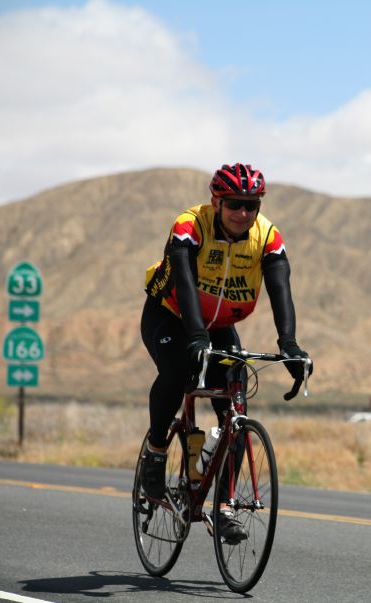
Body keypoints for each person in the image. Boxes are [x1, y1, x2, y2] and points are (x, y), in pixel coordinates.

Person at [140, 162, 312, 542]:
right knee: (177, 371)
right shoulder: (191, 225)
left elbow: (281, 289)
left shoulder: (267, 236)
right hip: (169, 315)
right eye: (235, 203)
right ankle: (155, 451)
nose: (244, 213)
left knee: (235, 409)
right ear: (216, 202)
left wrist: (290, 345)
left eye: (252, 205)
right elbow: (183, 281)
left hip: (217, 325)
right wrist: (196, 334)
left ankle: (223, 505)